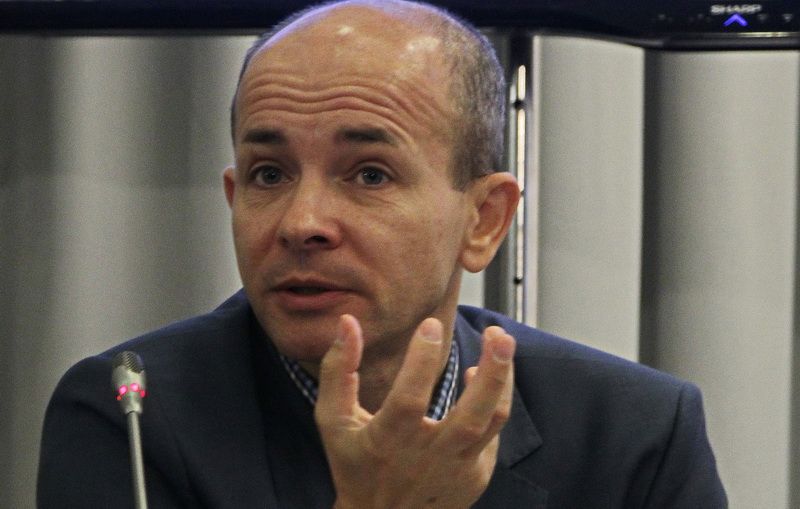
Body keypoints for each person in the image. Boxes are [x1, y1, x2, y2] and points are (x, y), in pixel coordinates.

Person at [37, 0, 727, 507]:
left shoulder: (634, 433)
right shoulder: (131, 417)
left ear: (484, 220)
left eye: (369, 174)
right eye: (269, 174)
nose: (302, 223)